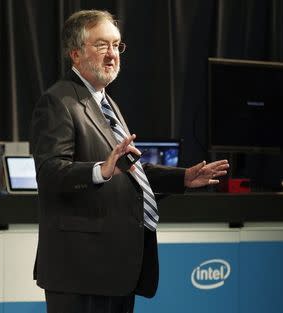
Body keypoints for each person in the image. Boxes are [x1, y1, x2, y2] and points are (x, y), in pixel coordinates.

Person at [30, 9, 229, 313]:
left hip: (116, 270)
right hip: (81, 273)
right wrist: (100, 170)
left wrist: (182, 178)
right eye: (101, 45)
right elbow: (50, 173)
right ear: (75, 53)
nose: (112, 55)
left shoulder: (107, 103)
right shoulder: (59, 101)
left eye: (116, 45)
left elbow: (129, 172)